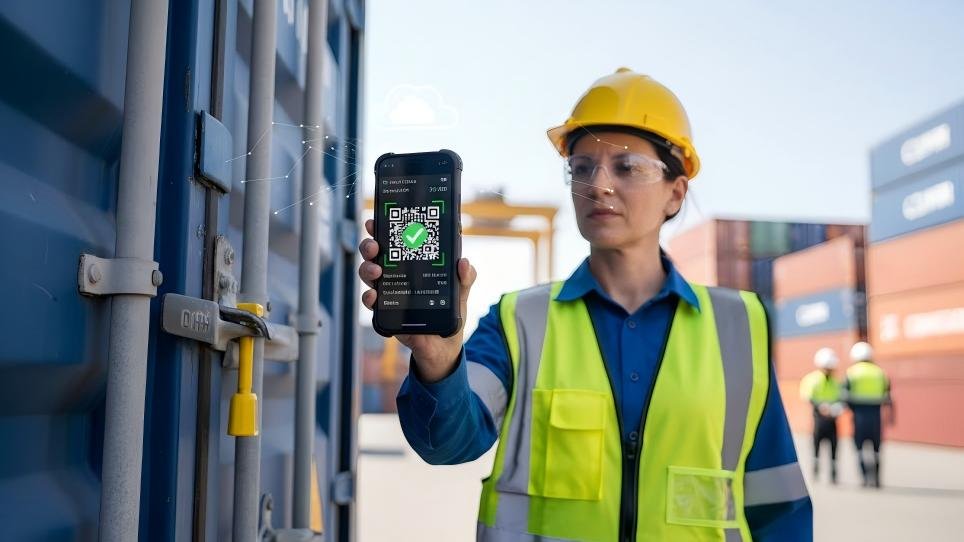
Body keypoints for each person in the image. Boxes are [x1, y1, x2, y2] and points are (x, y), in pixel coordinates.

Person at [358, 68, 812, 541]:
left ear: (675, 193)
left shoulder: (740, 326)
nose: (599, 184)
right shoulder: (518, 321)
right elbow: (446, 442)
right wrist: (438, 357)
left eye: (627, 166)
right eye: (582, 167)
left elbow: (779, 506)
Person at [844, 341, 893, 488]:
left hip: (858, 416)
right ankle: (877, 479)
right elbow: (888, 396)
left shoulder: (851, 373)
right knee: (876, 448)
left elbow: (845, 397)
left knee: (859, 448)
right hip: (876, 416)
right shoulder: (880, 373)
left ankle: (865, 479)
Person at [799, 348, 844, 484]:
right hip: (819, 419)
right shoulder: (812, 379)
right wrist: (821, 407)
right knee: (816, 445)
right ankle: (816, 470)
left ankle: (833, 474)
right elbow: (807, 396)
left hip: (833, 419)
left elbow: (841, 397)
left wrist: (837, 408)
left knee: (834, 447)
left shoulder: (836, 382)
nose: (830, 370)